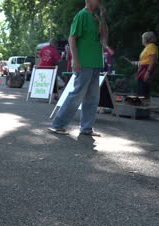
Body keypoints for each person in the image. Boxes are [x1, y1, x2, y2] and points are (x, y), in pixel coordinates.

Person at [49, 0, 107, 137]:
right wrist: (75, 60)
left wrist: (103, 18)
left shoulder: (96, 17)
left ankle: (86, 128)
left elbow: (104, 37)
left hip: (96, 62)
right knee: (77, 95)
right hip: (84, 62)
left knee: (93, 97)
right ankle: (58, 125)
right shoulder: (81, 15)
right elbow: (72, 39)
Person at [123, 32, 158, 104]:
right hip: (143, 69)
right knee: (142, 89)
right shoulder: (147, 47)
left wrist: (148, 72)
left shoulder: (151, 46)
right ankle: (143, 104)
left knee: (143, 90)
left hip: (146, 70)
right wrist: (136, 63)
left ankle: (143, 106)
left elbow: (153, 60)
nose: (142, 40)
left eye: (142, 38)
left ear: (146, 39)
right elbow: (145, 61)